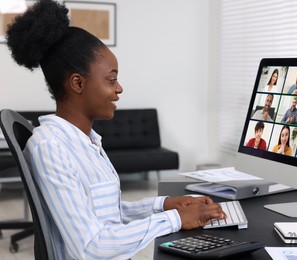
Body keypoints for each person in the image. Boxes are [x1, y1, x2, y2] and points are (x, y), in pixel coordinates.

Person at [6, 1, 225, 259]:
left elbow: (106, 213)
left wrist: (163, 205)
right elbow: (91, 246)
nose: (119, 88)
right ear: (78, 83)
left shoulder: (85, 140)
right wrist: (175, 220)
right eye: (111, 80)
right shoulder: (51, 147)